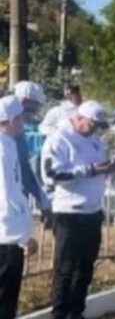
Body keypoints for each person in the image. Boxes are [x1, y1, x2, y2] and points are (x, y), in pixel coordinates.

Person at [42, 101, 115, 319]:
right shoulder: (60, 139)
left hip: (91, 210)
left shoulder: (94, 139)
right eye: (93, 124)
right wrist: (89, 170)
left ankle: (77, 316)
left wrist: (106, 168)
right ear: (80, 118)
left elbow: (97, 165)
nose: (95, 129)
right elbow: (52, 173)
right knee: (65, 270)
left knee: (85, 268)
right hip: (68, 212)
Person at [0, 96, 37, 319]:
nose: (24, 122)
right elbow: (8, 195)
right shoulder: (4, 147)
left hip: (6, 233)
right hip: (5, 236)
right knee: (4, 301)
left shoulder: (9, 144)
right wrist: (23, 234)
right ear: (11, 120)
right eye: (22, 117)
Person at [11, 82, 50, 219]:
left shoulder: (19, 136)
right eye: (34, 108)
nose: (35, 114)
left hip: (16, 206)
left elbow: (25, 172)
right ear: (23, 101)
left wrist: (43, 202)